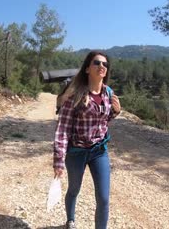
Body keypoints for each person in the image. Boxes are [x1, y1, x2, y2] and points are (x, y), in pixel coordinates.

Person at [53, 51, 121, 229]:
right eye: (97, 63)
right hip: (76, 152)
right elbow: (63, 129)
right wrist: (58, 160)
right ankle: (70, 220)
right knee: (74, 189)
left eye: (105, 64)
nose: (102, 66)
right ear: (87, 68)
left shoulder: (108, 93)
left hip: (99, 151)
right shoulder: (74, 94)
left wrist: (116, 111)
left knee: (104, 198)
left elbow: (102, 121)